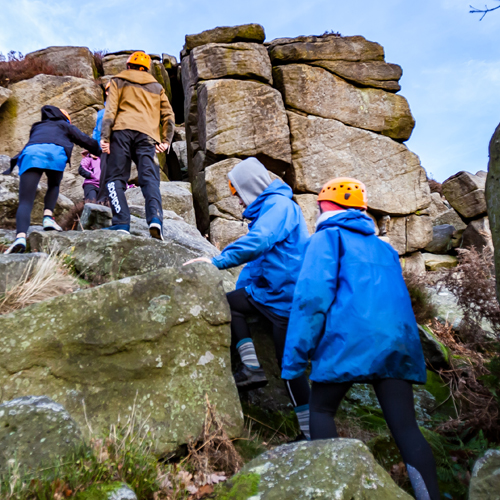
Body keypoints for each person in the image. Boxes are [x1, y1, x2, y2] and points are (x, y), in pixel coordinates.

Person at [281, 177, 440, 500]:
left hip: (348, 342)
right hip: (396, 344)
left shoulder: (326, 238)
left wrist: (295, 357)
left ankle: (331, 491)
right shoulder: (385, 248)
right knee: (407, 429)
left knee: (321, 411)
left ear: (325, 205)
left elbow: (311, 299)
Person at [185, 157, 312, 440]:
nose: (237, 199)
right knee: (228, 303)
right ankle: (251, 367)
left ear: (251, 187)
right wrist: (241, 286)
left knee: (290, 370)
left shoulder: (279, 207)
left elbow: (259, 242)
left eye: (237, 192)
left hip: (286, 301)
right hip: (269, 294)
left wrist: (216, 261)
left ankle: (310, 433)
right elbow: (259, 262)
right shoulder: (269, 209)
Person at [3, 106, 100, 254]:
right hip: (55, 153)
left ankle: (20, 237)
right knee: (53, 185)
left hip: (32, 154)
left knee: (25, 201)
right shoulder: (65, 125)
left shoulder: (37, 126)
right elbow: (86, 141)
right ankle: (48, 217)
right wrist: (100, 151)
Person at [100, 51, 175, 238]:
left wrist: (105, 137)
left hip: (121, 132)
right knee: (150, 179)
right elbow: (168, 115)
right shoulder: (157, 87)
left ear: (128, 65)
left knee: (115, 178)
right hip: (147, 136)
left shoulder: (118, 80)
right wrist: (166, 141)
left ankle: (121, 222)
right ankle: (155, 219)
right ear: (147, 69)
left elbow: (110, 110)